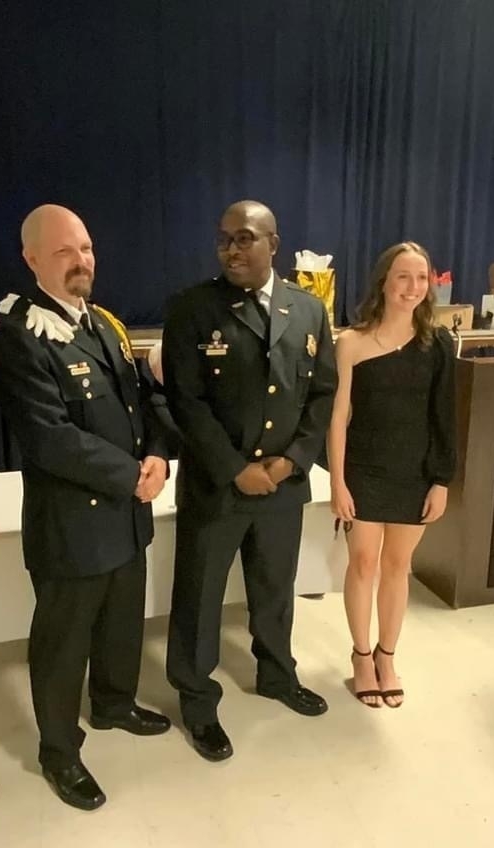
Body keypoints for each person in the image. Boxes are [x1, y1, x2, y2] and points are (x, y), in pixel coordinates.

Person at [0, 204, 171, 812]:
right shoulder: (19, 336)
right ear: (32, 258)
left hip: (125, 511)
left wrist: (159, 457)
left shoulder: (104, 326)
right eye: (65, 251)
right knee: (64, 644)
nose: (82, 260)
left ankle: (115, 704)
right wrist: (131, 476)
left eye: (87, 248)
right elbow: (49, 437)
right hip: (72, 522)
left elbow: (140, 403)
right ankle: (59, 751)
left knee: (121, 620)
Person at [162, 200, 336, 761]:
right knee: (200, 597)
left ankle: (277, 675)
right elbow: (184, 401)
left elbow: (322, 394)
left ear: (273, 244)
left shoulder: (308, 311)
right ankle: (197, 701)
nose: (231, 250)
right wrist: (236, 469)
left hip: (283, 486)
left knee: (274, 590)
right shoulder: (193, 308)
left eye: (244, 239)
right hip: (219, 486)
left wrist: (291, 462)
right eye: (223, 240)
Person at [327, 242, 456, 709]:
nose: (413, 287)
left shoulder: (437, 343)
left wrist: (442, 480)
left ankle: (387, 656)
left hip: (415, 471)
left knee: (398, 566)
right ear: (383, 280)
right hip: (363, 469)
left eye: (421, 278)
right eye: (403, 276)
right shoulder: (351, 342)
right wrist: (338, 482)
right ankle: (361, 656)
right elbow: (338, 416)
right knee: (363, 562)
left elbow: (445, 417)